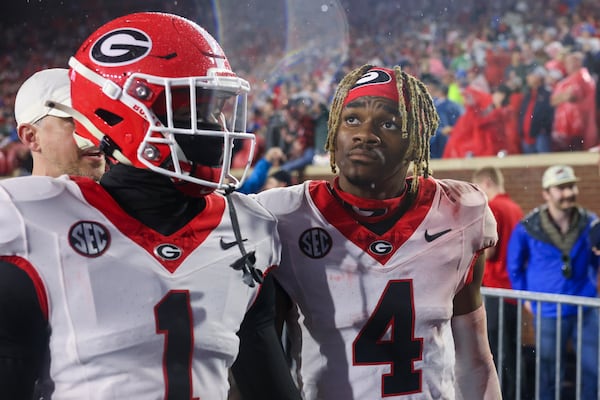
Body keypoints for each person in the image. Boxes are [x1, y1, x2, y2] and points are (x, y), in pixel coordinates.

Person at [0, 12, 299, 400]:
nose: (215, 128)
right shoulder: (30, 220)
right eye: (192, 109)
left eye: (215, 109)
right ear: (120, 111)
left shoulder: (250, 228)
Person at [251, 65, 502, 399]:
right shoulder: (284, 216)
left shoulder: (459, 214)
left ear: (415, 142)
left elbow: (474, 361)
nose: (365, 134)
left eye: (389, 123)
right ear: (333, 133)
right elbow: (258, 362)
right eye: (352, 119)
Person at [507, 165, 599, 400]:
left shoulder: (590, 223)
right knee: (548, 372)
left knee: (593, 369)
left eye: (571, 186)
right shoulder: (528, 227)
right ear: (546, 193)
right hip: (548, 309)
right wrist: (525, 297)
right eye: (561, 188)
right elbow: (514, 265)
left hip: (585, 307)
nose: (568, 192)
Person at [472, 166, 524, 400]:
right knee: (511, 351)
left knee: (497, 352)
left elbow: (489, 253)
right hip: (512, 291)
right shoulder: (515, 207)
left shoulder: (493, 207)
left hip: (496, 289)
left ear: (486, 182)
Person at [14, 68, 105, 180]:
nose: (98, 133)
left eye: (100, 120)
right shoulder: (10, 197)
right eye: (78, 121)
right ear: (31, 137)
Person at [518, 66, 554, 154]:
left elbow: (549, 114)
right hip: (526, 137)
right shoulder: (527, 95)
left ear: (539, 77)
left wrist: (543, 129)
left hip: (541, 136)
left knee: (544, 163)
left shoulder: (547, 94)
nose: (528, 78)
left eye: (531, 75)